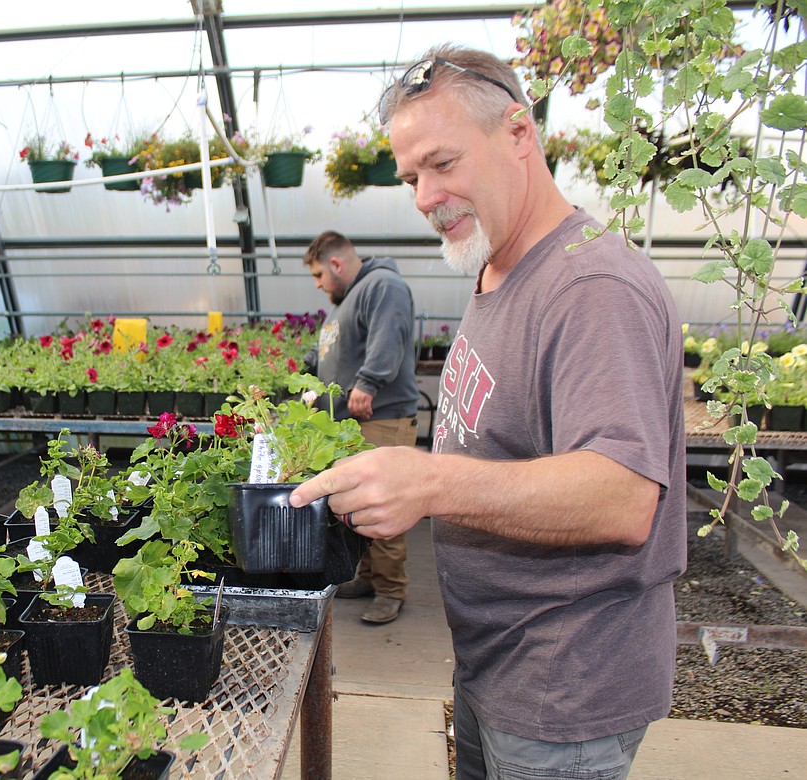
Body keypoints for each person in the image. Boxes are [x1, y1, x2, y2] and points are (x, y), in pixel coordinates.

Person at [290, 44, 686, 780]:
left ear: (518, 133)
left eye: (443, 164)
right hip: (498, 661)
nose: (424, 197)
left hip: (564, 686)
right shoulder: (499, 263)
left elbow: (625, 496)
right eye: (411, 177)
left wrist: (431, 483)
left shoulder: (590, 285)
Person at [302, 230, 419, 624]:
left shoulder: (382, 285)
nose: (318, 285)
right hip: (351, 423)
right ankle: (368, 577)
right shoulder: (344, 302)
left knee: (383, 504)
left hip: (380, 417)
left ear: (336, 264)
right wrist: (306, 370)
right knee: (358, 508)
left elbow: (389, 337)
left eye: (319, 275)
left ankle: (391, 590)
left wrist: (368, 382)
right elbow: (334, 350)